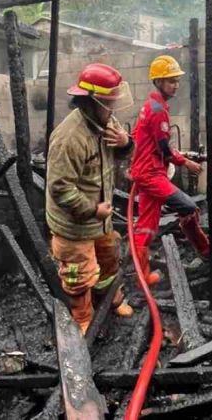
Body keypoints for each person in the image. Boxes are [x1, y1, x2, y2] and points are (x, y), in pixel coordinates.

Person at [46, 63, 135, 334]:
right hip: (75, 223)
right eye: (110, 103)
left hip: (100, 216)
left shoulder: (106, 119)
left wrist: (125, 143)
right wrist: (92, 210)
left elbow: (120, 153)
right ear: (91, 101)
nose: (114, 108)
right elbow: (60, 188)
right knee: (77, 273)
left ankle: (110, 300)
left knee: (108, 258)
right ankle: (82, 316)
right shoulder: (69, 138)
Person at [130, 55, 212, 285]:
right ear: (159, 82)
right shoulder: (158, 109)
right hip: (151, 173)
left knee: (147, 226)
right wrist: (186, 163)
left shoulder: (152, 105)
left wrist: (179, 156)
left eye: (177, 80)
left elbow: (151, 141)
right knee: (188, 206)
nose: (176, 85)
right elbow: (163, 148)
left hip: (147, 170)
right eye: (171, 81)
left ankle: (142, 277)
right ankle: (206, 251)